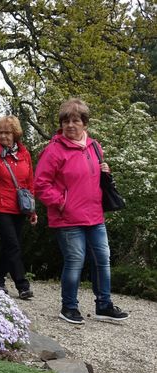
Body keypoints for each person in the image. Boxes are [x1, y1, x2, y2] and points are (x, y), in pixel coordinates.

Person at [35, 98, 129, 324]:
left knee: (103, 259)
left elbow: (94, 177)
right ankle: (68, 307)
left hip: (94, 215)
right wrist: (62, 203)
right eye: (66, 121)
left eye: (75, 120)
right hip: (67, 218)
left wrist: (105, 170)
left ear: (84, 123)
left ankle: (104, 305)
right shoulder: (54, 150)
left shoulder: (95, 146)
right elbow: (40, 185)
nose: (70, 125)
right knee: (75, 260)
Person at [0, 115, 37, 299]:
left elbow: (29, 182)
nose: (3, 136)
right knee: (12, 245)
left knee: (9, 246)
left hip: (19, 208)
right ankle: (22, 285)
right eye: (0, 132)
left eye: (7, 133)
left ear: (15, 134)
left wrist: (32, 210)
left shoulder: (24, 154)